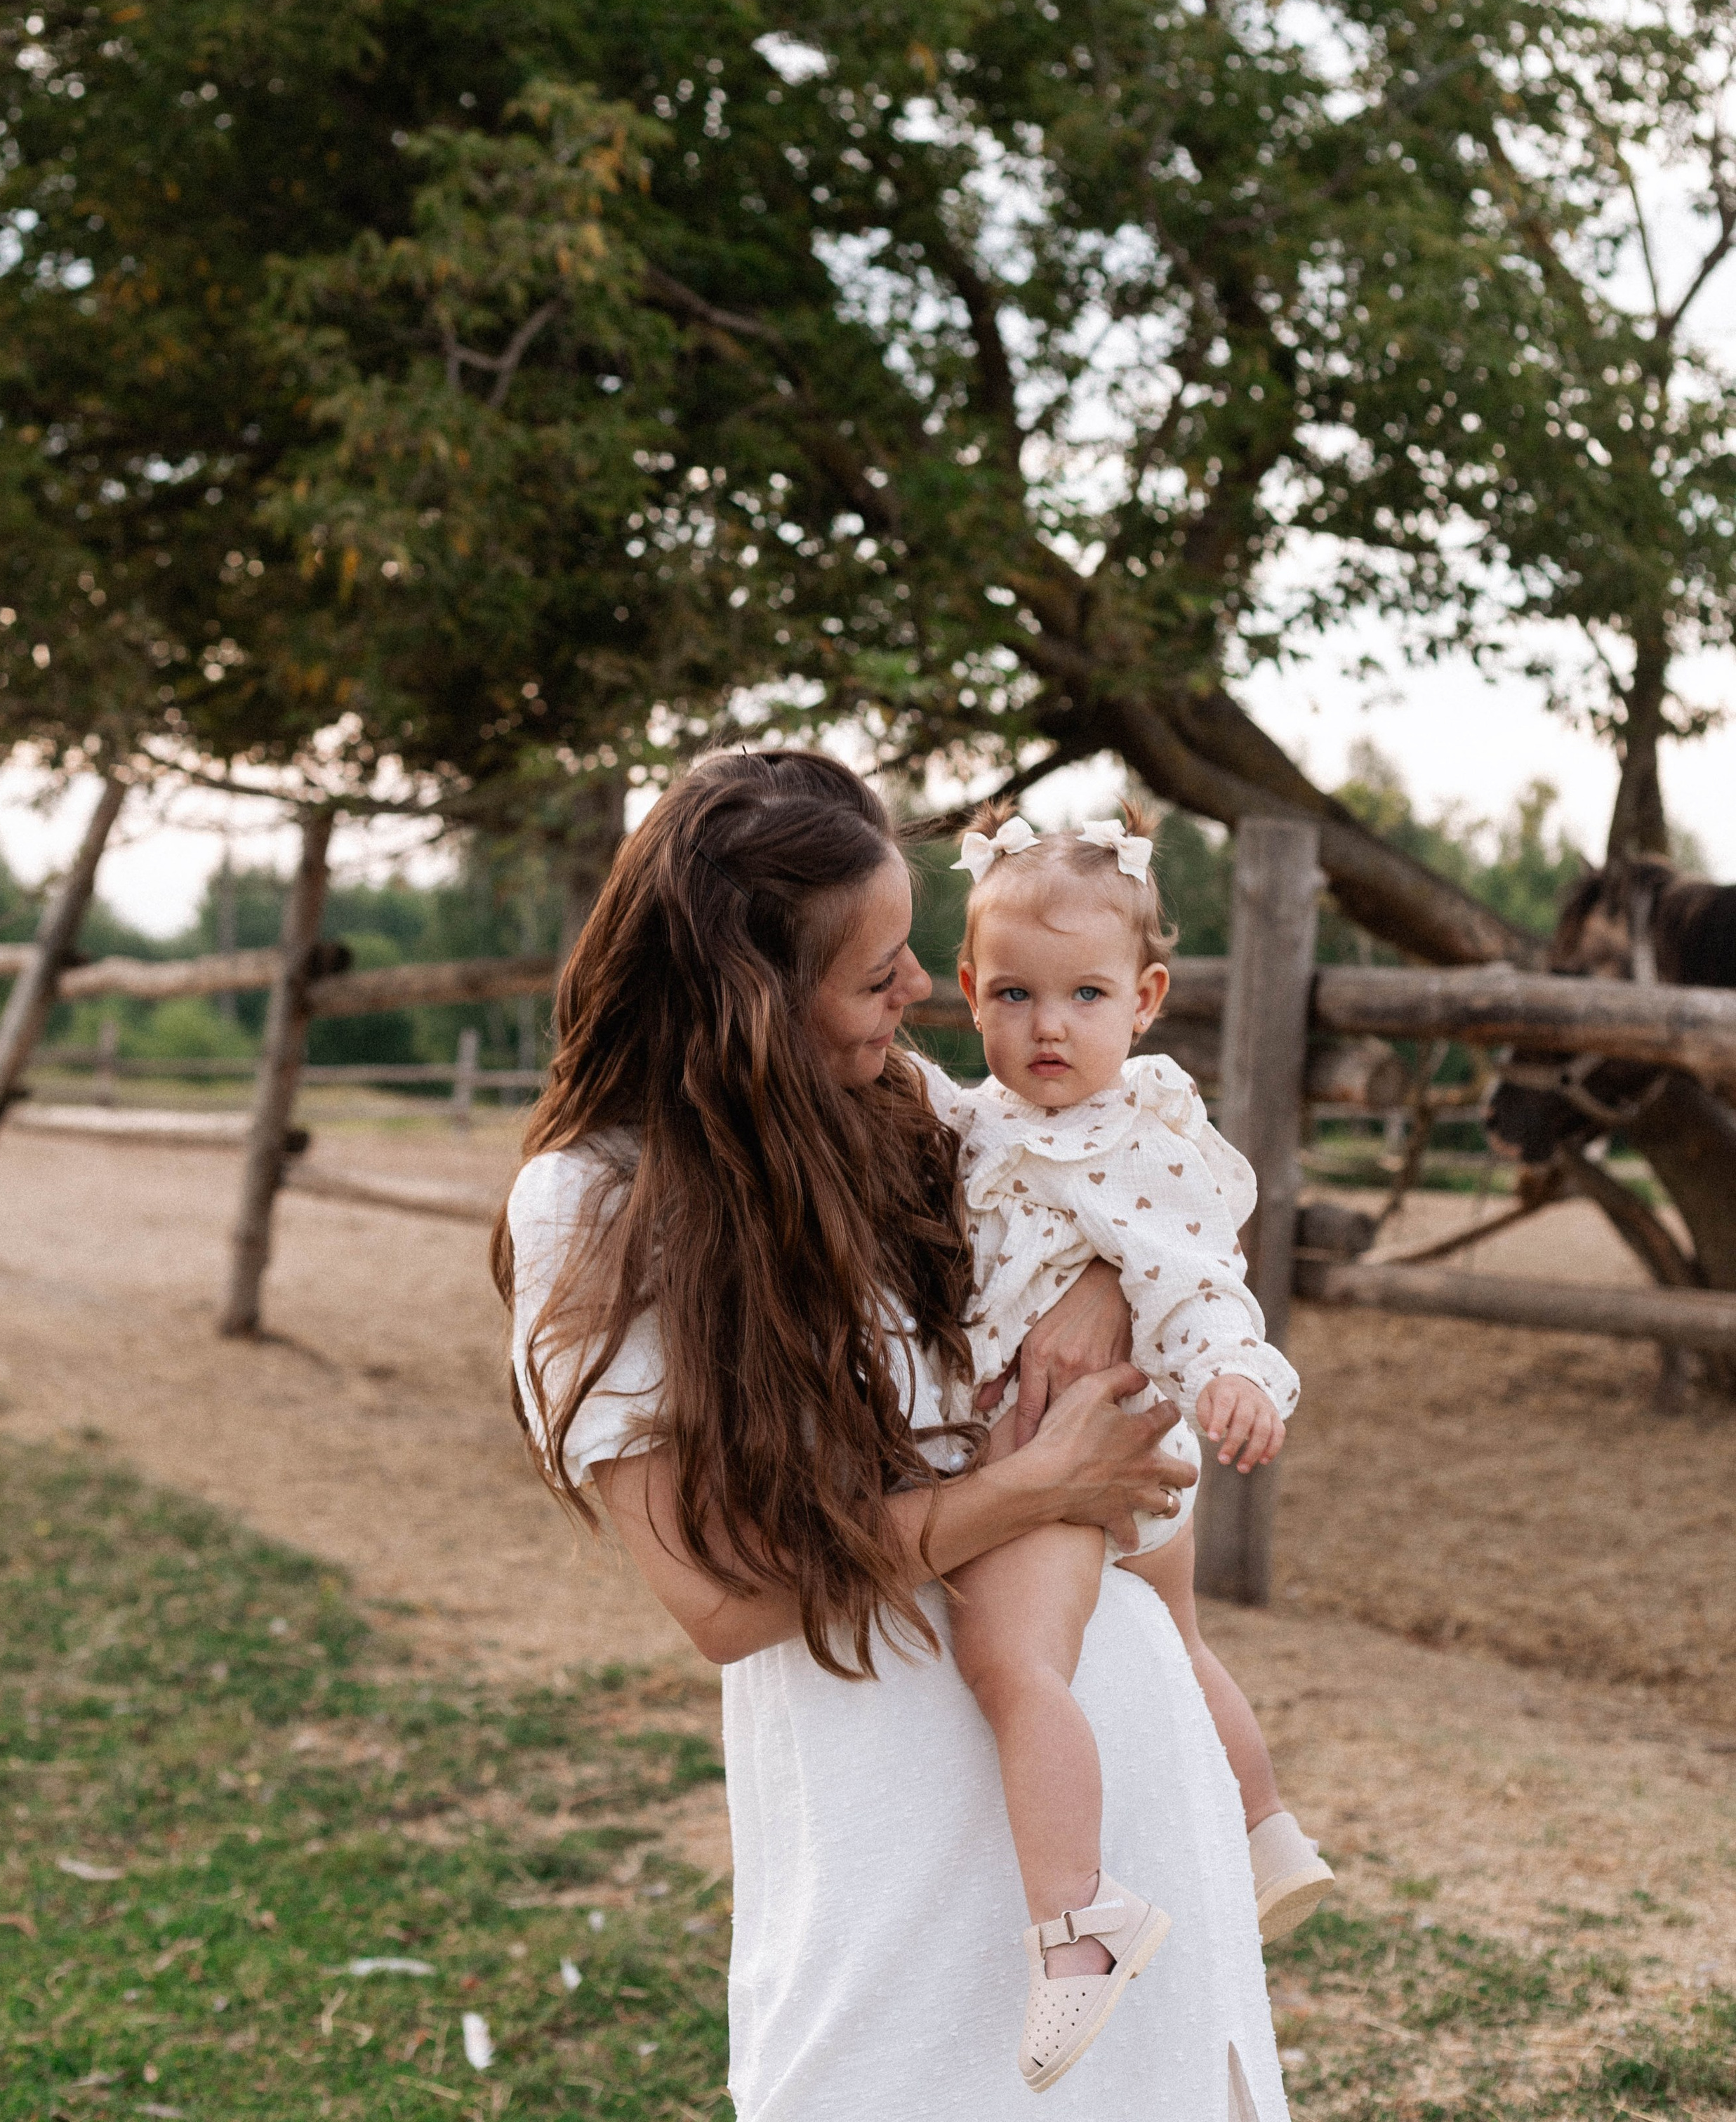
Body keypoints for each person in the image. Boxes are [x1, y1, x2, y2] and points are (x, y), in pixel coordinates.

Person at [493, 748, 1290, 2121]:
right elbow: (723, 1600)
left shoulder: (896, 1109)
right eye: (875, 976)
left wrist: (1104, 1292)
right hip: (895, 1805)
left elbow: (1123, 1190)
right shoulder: (598, 1208)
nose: (921, 996)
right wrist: (1037, 1486)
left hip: (1124, 1775)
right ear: (750, 1003)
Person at [929, 803, 1331, 2087]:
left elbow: (1198, 1278)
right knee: (1182, 1637)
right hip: (1111, 1447)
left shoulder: (1125, 1144)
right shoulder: (994, 1116)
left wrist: (1238, 1373)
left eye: (1086, 993)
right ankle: (1264, 1825)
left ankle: (1080, 1923)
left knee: (1009, 1662)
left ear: (1147, 998)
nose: (1049, 1026)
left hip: (1089, 1446)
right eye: (1016, 993)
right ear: (970, 993)